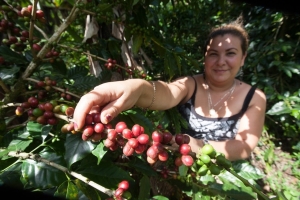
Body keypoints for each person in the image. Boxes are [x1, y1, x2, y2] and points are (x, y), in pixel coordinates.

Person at [73, 18, 267, 161]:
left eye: (231, 53)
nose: (221, 61)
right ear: (205, 58)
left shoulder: (254, 98)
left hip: (220, 177)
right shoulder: (191, 84)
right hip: (174, 166)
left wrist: (201, 145)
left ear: (243, 58)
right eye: (213, 54)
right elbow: (166, 92)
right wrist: (136, 88)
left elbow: (244, 146)